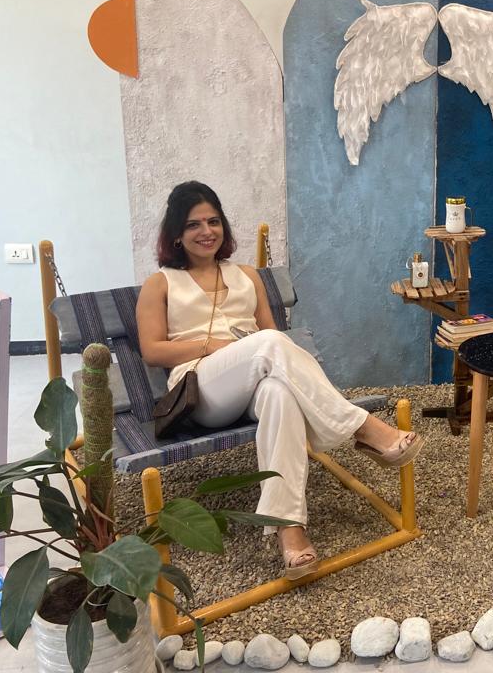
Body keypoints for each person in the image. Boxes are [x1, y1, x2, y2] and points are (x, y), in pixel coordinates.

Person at [136, 181, 423, 580]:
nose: (206, 231)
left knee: (279, 393)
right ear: (177, 235)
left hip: (255, 377)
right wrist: (213, 345)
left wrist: (253, 347)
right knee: (268, 344)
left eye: (213, 221)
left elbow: (273, 338)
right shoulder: (161, 283)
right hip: (201, 389)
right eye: (193, 224)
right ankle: (363, 428)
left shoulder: (246, 276)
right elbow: (152, 350)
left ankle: (290, 530)